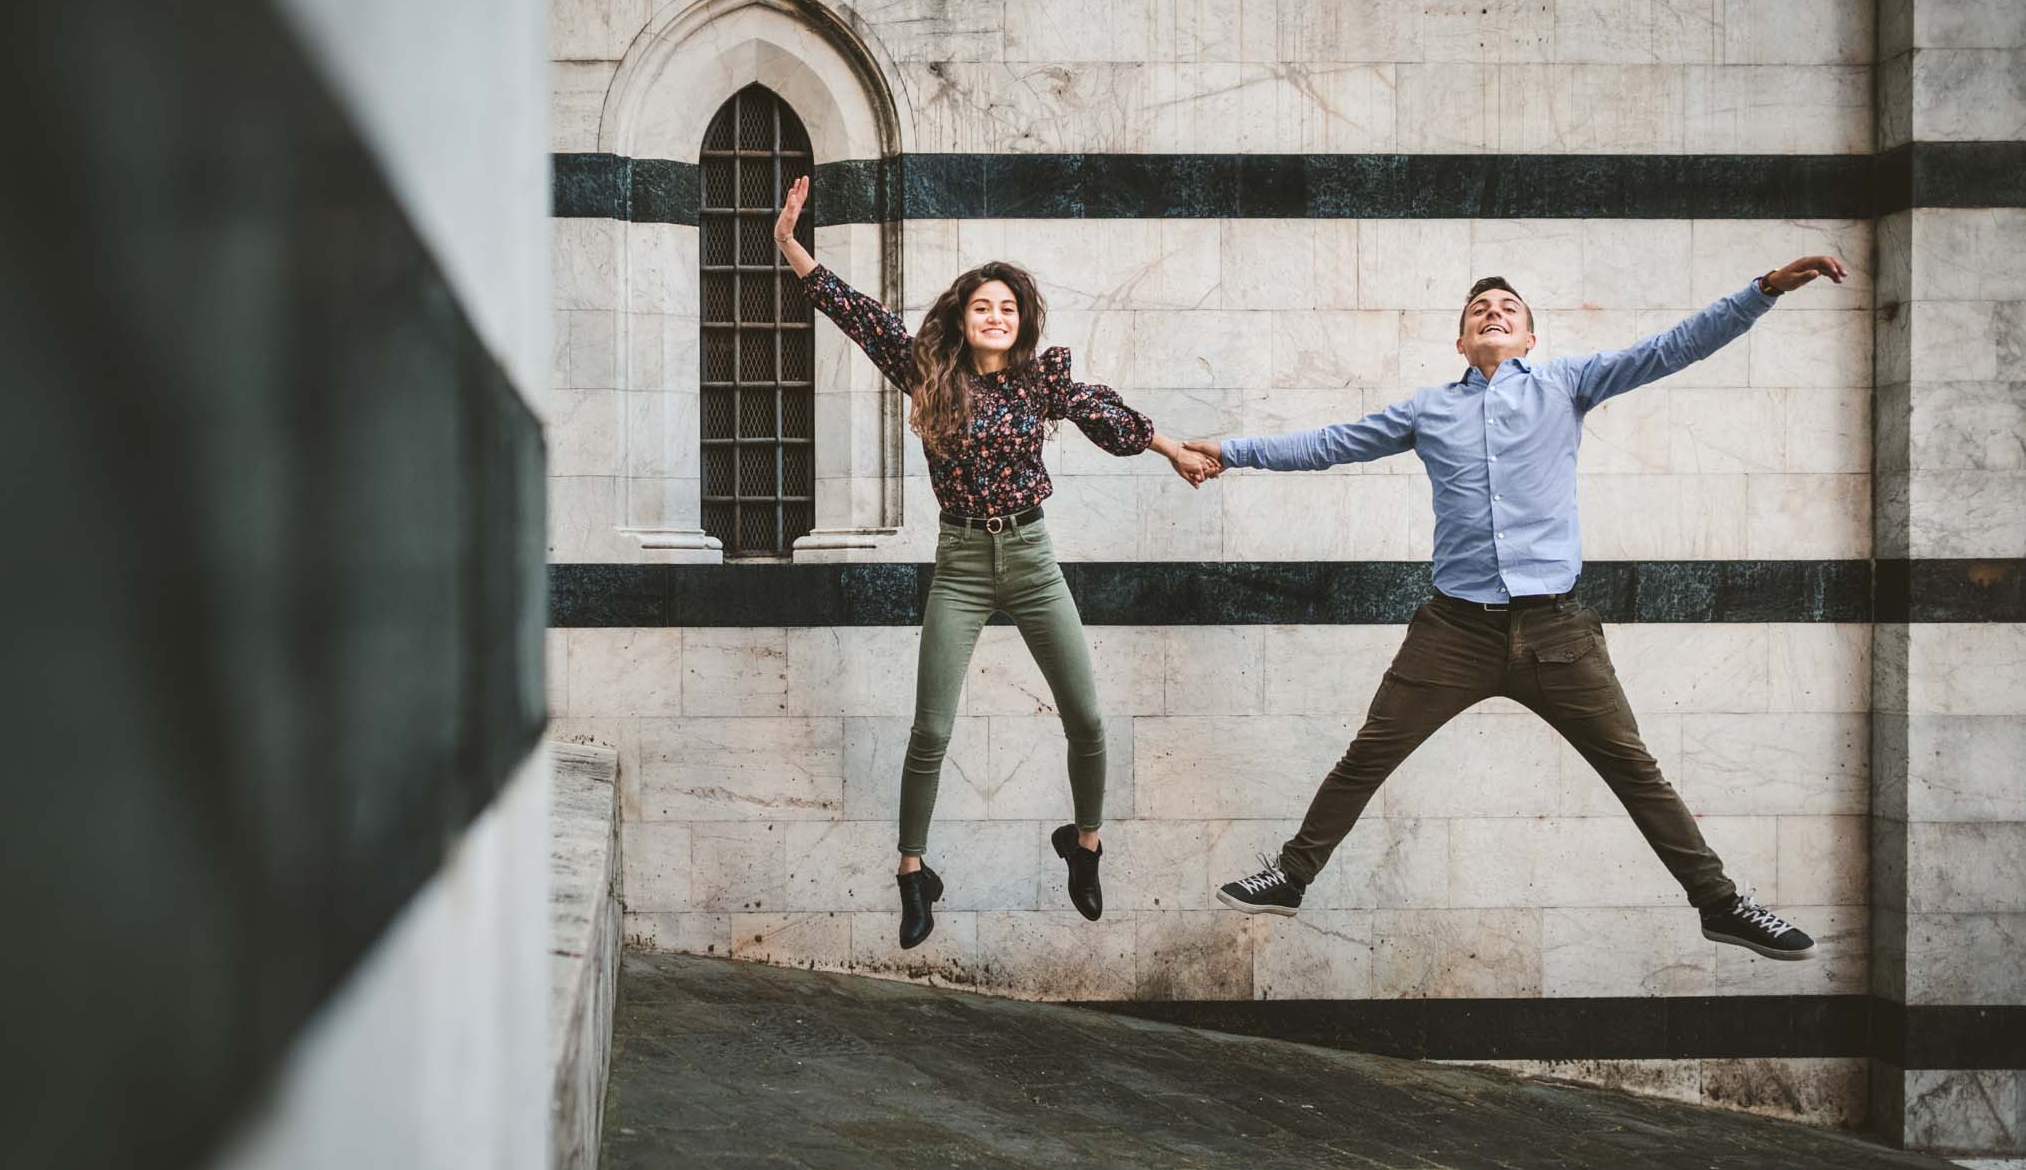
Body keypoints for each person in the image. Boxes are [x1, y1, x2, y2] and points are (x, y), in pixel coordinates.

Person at [1190, 256, 1850, 962]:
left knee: (1635, 769)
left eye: (1508, 307)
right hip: (1454, 630)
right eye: (1479, 309)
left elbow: (1670, 348)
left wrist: (1765, 290)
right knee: (1368, 754)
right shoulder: (1429, 409)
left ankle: (1721, 904)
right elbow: (1328, 444)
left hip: (1557, 631)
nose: (1493, 312)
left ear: (1530, 338)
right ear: (1460, 341)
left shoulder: (1567, 384)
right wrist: (1230, 451)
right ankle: (1291, 877)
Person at [774, 176, 1217, 950]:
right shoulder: (925, 370)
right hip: (962, 562)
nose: (997, 315)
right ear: (962, 316)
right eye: (984, 305)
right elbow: (853, 311)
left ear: (1021, 323)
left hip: (1033, 558)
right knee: (931, 727)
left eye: (1008, 308)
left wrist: (1171, 446)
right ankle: (914, 872)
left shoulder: (1038, 382)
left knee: (1086, 718)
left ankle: (1085, 846)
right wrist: (788, 244)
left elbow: (1103, 413)